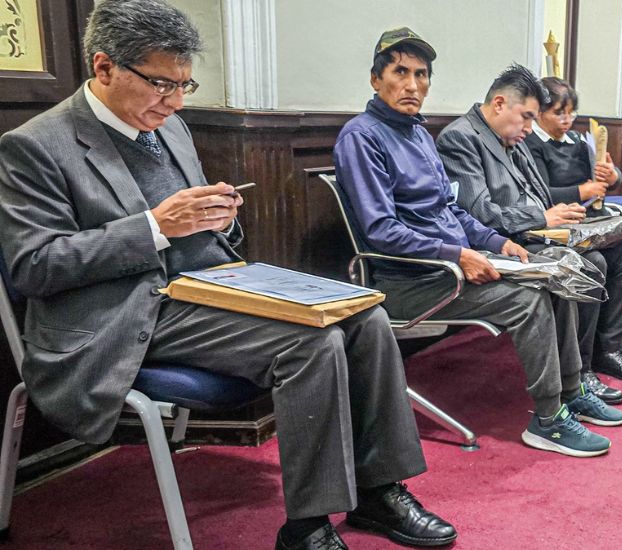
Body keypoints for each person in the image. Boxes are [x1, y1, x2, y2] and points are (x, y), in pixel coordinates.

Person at [0, 4, 455, 548]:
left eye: (184, 85)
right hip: (120, 313)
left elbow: (196, 234)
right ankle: (308, 527)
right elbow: (34, 267)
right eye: (162, 84)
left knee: (367, 318)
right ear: (104, 67)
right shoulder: (36, 145)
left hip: (206, 290)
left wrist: (220, 219)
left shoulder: (170, 128)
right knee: (313, 344)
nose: (176, 101)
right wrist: (155, 227)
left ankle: (379, 491)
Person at [333, 29, 622, 458]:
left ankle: (570, 390)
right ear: (376, 79)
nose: (412, 84)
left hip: (454, 262)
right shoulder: (362, 137)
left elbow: (452, 210)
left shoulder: (418, 135)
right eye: (400, 72)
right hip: (412, 278)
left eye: (421, 74)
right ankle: (548, 420)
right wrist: (457, 254)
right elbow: (380, 231)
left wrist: (496, 241)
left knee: (557, 274)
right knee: (528, 299)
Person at [437, 64, 622, 391]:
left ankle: (605, 349)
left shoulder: (512, 135)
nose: (529, 127)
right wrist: (543, 218)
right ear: (499, 104)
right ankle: (579, 373)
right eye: (526, 117)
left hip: (538, 230)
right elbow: (479, 213)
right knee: (592, 262)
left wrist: (558, 214)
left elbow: (540, 194)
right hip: (503, 241)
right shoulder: (461, 138)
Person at [525, 76, 622, 366]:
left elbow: (606, 179)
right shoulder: (532, 144)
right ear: (539, 112)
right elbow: (539, 194)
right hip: (563, 225)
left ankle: (614, 325)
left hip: (594, 222)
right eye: (559, 113)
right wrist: (582, 191)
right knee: (604, 260)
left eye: (571, 113)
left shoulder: (577, 140)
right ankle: (604, 337)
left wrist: (613, 176)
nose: (567, 120)